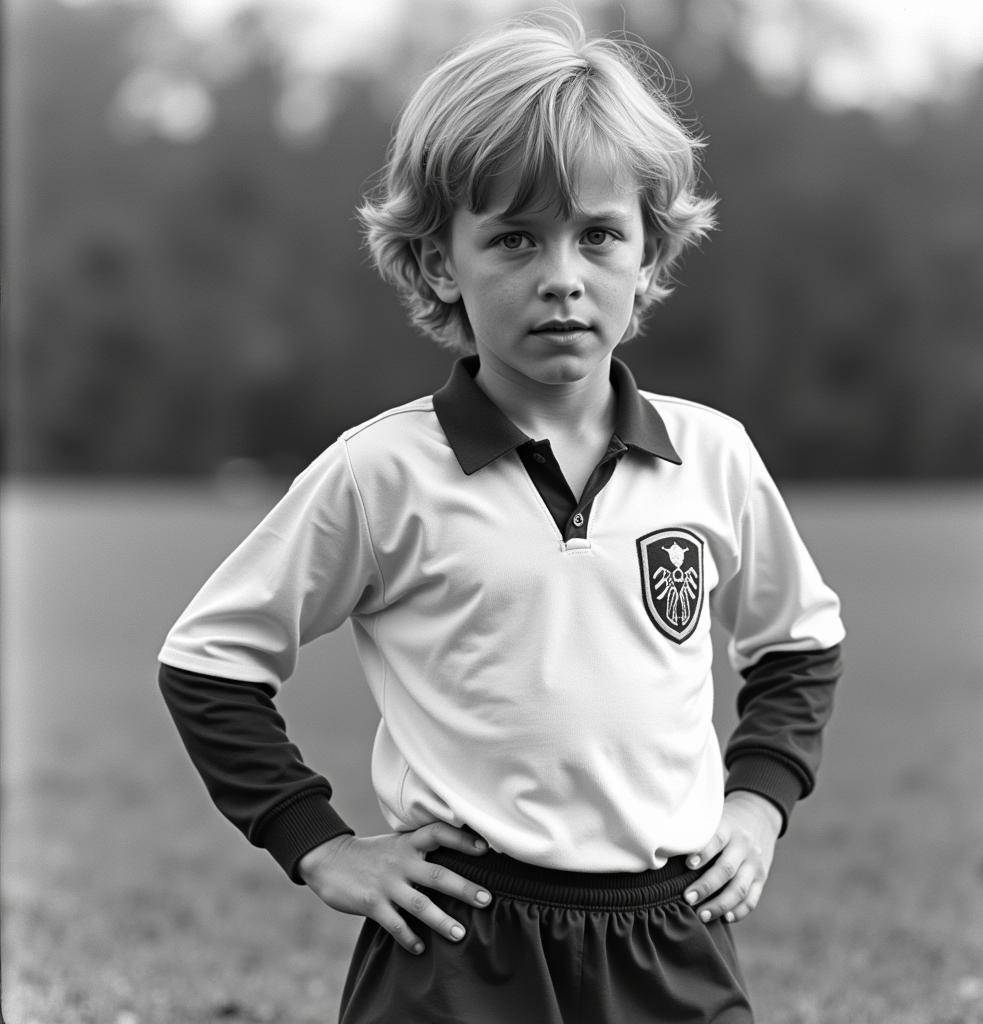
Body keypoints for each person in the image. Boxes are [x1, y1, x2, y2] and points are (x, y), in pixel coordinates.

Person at [158, 11, 844, 1023]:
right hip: (458, 945)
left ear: (647, 253)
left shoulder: (713, 457)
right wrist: (318, 842)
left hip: (672, 939)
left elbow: (800, 643)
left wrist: (758, 800)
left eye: (598, 235)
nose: (561, 274)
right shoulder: (383, 472)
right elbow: (209, 658)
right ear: (442, 262)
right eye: (515, 237)